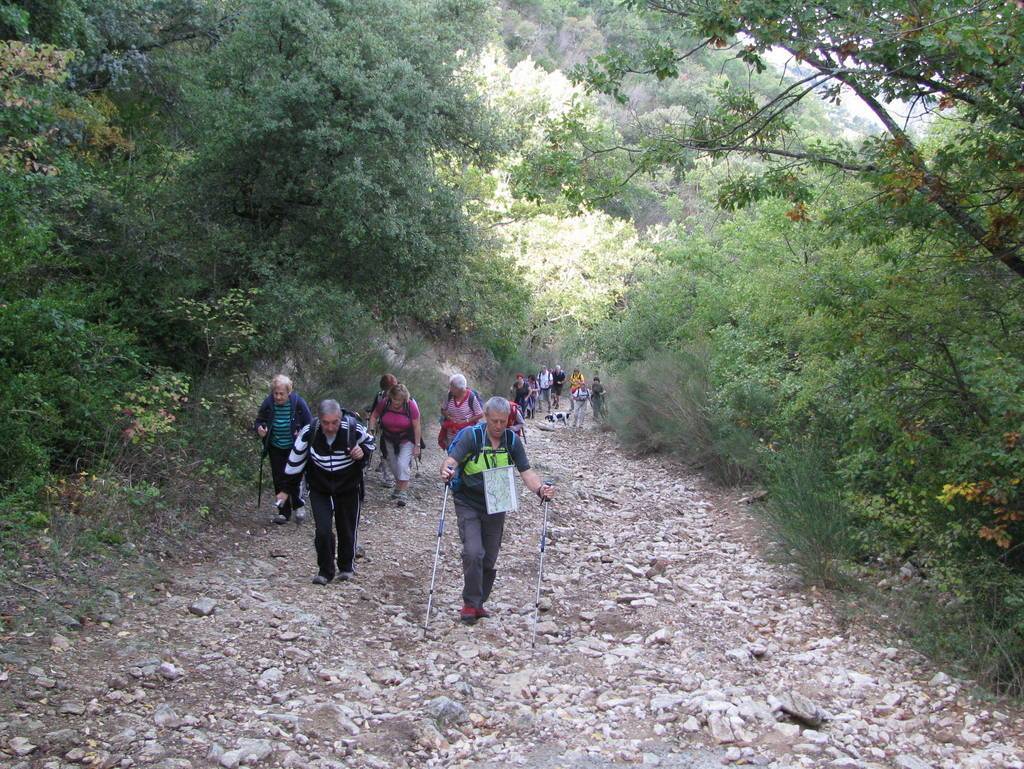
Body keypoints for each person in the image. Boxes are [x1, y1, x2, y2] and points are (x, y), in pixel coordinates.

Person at [440, 397, 556, 624]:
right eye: (494, 421)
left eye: (503, 421)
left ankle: (479, 602)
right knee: (473, 551)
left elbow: (526, 472)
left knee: (490, 555)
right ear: (485, 417)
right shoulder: (471, 436)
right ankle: (470, 604)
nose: (499, 426)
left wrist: (541, 490)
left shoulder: (511, 440)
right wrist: (447, 470)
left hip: (498, 500)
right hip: (468, 500)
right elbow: (450, 461)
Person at [281, 400, 375, 585]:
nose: (330, 427)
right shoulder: (310, 432)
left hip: (348, 486)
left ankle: (346, 566)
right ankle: (325, 571)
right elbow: (295, 461)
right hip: (319, 487)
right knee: (322, 530)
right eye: (326, 422)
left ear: (341, 418)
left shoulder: (352, 429)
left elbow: (371, 444)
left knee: (346, 527)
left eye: (335, 422)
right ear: (319, 419)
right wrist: (285, 490)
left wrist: (361, 452)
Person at [254, 375, 313, 525]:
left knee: (294, 476)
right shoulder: (268, 403)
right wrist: (259, 428)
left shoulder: (298, 403)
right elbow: (259, 420)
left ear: (289, 392)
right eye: (276, 393)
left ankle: (299, 505)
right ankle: (283, 512)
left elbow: (311, 425)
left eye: (281, 394)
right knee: (278, 477)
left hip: (295, 447)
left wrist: (301, 433)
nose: (278, 397)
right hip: (275, 446)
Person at [368, 383, 422, 507]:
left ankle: (402, 491)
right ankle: (398, 487)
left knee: (402, 464)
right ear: (390, 396)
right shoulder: (385, 403)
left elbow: (417, 425)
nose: (397, 402)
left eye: (400, 400)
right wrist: (371, 430)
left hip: (406, 439)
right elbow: (374, 415)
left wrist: (417, 445)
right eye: (395, 399)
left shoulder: (410, 405)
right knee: (392, 464)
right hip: (388, 438)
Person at [367, 374, 399, 487]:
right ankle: (389, 479)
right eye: (392, 385)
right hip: (385, 429)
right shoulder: (380, 396)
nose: (395, 386)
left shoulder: (403, 395)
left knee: (398, 453)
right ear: (385, 387)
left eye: (395, 384)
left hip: (402, 431)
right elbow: (374, 413)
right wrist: (371, 429)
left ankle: (398, 477)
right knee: (385, 453)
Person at [439, 374, 484, 449]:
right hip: (451, 433)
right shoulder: (449, 395)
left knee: (463, 455)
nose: (450, 389)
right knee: (451, 453)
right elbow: (443, 409)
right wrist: (449, 417)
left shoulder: (471, 397)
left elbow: (480, 414)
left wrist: (465, 421)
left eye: (452, 387)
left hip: (466, 434)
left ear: (459, 388)